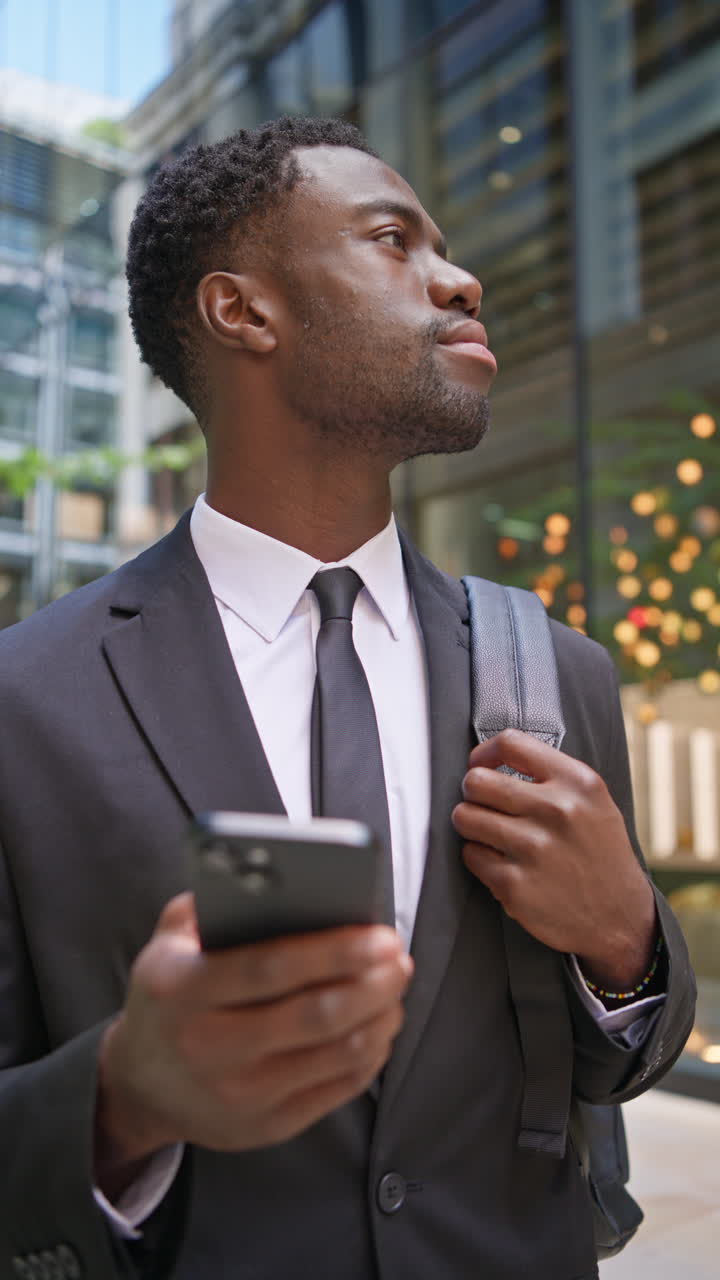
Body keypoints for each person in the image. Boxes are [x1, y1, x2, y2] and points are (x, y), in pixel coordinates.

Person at [0, 116, 695, 1280]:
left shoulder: (556, 668)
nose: (461, 277)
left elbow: (608, 1070)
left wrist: (628, 939)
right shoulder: (24, 698)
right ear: (244, 312)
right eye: (394, 240)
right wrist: (122, 1096)